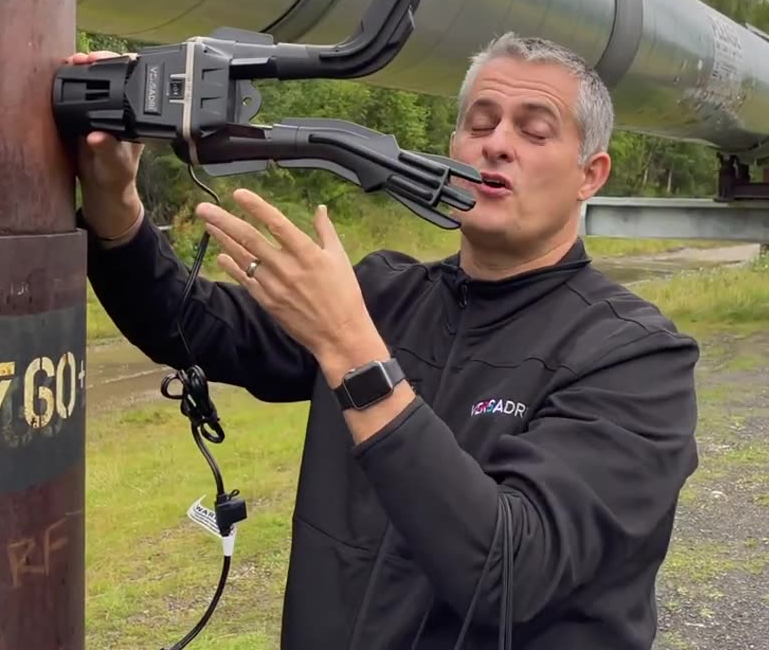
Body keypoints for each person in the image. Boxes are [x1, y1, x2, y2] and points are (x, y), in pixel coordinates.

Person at [70, 31, 700, 649]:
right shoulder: (383, 294)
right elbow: (191, 325)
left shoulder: (635, 357)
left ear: (590, 175)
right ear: (452, 146)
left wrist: (350, 349)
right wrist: (114, 207)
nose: (497, 145)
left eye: (535, 131)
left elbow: (508, 575)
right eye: (479, 124)